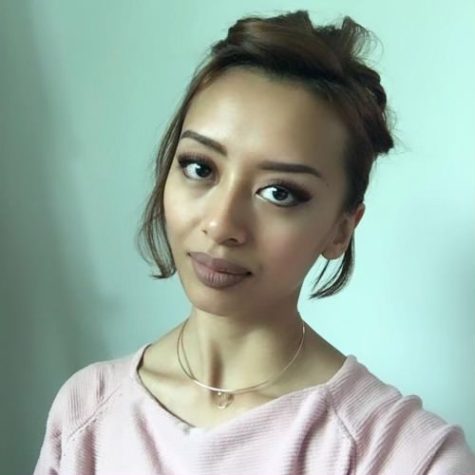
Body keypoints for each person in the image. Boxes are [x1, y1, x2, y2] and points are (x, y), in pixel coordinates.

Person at [33, 10, 475, 475]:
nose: (222, 223)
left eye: (279, 193)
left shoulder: (405, 456)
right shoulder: (87, 412)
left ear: (341, 229)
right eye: (200, 168)